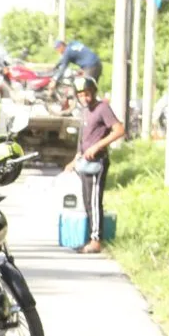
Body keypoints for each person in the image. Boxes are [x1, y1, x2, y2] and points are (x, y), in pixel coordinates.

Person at [64, 75, 124, 254]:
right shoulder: (85, 111)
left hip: (98, 162)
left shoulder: (102, 108)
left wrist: (98, 146)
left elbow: (119, 129)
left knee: (95, 201)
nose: (84, 98)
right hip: (84, 163)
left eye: (87, 94)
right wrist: (75, 160)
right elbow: (84, 140)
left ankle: (96, 240)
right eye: (81, 95)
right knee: (87, 201)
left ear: (94, 92)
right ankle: (90, 237)